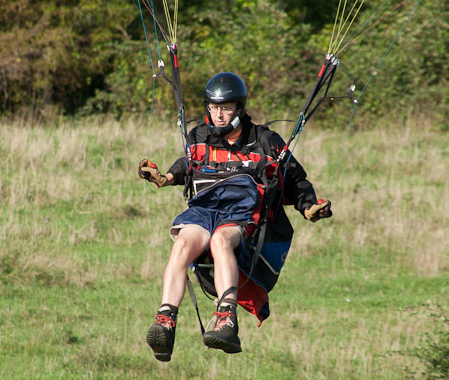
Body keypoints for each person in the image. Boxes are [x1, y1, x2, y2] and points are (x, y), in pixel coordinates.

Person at [137, 71, 332, 362]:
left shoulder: (265, 141)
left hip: (241, 213)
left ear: (239, 108)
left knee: (220, 240)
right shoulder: (198, 136)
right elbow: (187, 165)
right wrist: (165, 178)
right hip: (204, 209)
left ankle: (227, 320)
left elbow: (294, 179)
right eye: (213, 108)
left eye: (225, 109)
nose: (218, 115)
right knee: (183, 243)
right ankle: (165, 322)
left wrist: (308, 206)